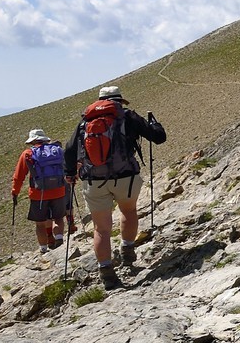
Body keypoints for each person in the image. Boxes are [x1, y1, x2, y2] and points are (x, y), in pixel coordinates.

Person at [64, 85, 167, 289]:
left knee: (101, 229)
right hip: (125, 177)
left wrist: (69, 174)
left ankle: (107, 273)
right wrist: (156, 124)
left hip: (93, 180)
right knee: (128, 211)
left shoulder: (85, 122)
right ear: (119, 101)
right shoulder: (127, 116)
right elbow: (158, 137)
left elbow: (68, 150)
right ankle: (128, 252)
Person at [11, 129, 68, 256]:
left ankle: (43, 249)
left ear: (33, 141)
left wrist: (15, 192)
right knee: (58, 218)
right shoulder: (57, 150)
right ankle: (59, 239)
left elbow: (19, 175)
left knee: (40, 224)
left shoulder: (28, 153)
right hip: (59, 190)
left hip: (38, 193)